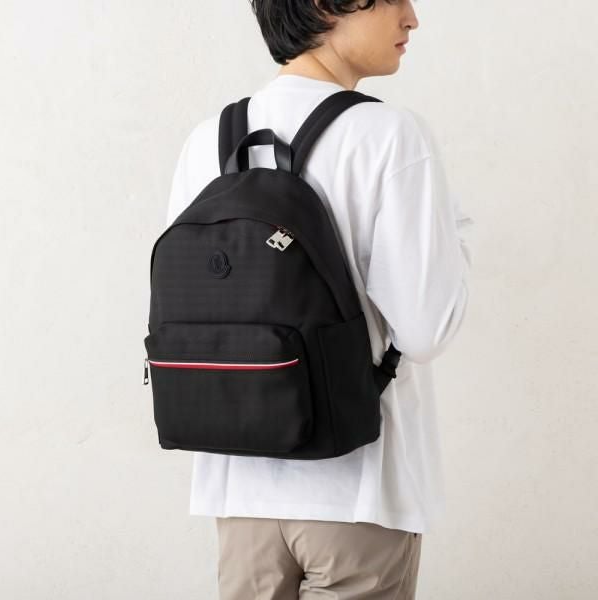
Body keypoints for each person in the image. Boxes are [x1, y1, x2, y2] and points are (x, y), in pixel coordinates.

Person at [164, 1, 475, 598]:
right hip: (358, 494)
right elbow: (426, 330)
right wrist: (455, 239)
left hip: (237, 495)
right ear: (323, 6)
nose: (412, 18)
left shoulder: (206, 140)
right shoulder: (389, 135)